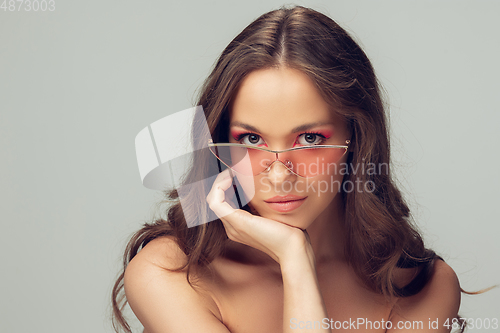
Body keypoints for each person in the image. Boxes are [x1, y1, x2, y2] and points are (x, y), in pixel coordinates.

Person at [111, 5, 468, 333]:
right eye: (251, 139)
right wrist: (295, 257)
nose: (280, 176)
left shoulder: (421, 287)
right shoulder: (170, 271)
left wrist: (295, 262)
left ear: (357, 138)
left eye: (310, 138)